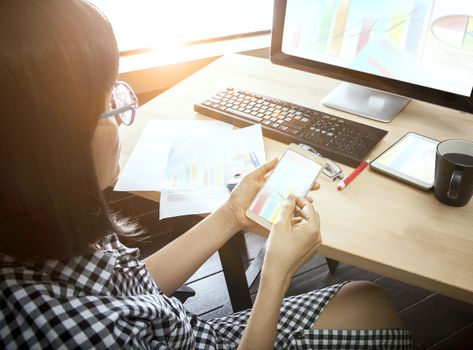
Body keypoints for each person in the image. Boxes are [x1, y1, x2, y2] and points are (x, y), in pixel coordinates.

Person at [0, 1, 411, 348]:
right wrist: (276, 275)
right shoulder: (80, 332)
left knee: (366, 298)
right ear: (53, 146)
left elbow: (136, 287)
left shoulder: (39, 230)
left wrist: (231, 215)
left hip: (186, 330)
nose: (125, 110)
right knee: (373, 306)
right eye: (106, 100)